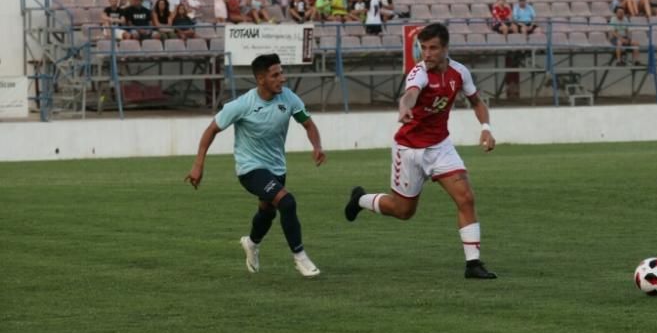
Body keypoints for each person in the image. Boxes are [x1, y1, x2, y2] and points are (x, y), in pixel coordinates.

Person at [344, 23, 498, 279]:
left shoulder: (460, 72)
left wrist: (486, 127)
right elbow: (410, 94)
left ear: (446, 48)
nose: (427, 54)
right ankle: (360, 199)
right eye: (423, 48)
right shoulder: (419, 73)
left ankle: (473, 264)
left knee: (466, 198)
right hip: (409, 150)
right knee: (403, 211)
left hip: (440, 147)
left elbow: (476, 101)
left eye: (433, 48)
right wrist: (404, 107)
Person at [185, 53, 326, 278]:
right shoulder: (242, 104)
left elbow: (308, 124)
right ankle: (300, 257)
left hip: (276, 168)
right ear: (261, 79)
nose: (282, 78)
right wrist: (198, 165)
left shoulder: (289, 98)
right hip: (249, 169)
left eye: (282, 73)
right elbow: (211, 130)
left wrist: (317, 146)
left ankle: (251, 243)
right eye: (275, 75)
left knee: (267, 212)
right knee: (286, 202)